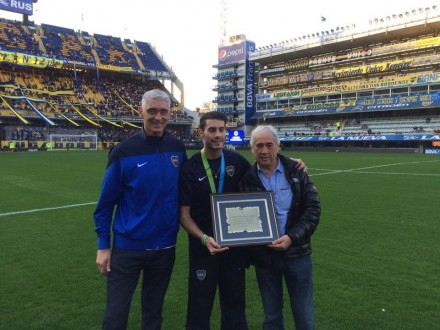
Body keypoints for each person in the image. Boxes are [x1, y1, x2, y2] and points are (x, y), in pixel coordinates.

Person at [93, 89, 187, 330]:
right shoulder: (123, 152)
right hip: (127, 249)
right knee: (115, 316)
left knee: (154, 314)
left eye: (163, 112)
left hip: (165, 248)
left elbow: (195, 185)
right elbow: (104, 206)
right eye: (152, 111)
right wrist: (103, 246)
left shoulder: (178, 148)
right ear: (140, 112)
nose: (158, 117)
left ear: (170, 114)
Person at [239, 125, 321, 330]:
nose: (264, 150)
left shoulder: (296, 171)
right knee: (272, 317)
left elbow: (313, 210)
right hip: (265, 258)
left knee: (304, 317)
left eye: (269, 145)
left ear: (278, 146)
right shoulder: (246, 179)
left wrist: (292, 238)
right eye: (259, 146)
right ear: (252, 149)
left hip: (297, 255)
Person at [178, 111, 250, 329]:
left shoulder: (238, 162)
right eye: (212, 130)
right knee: (199, 309)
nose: (218, 134)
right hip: (203, 250)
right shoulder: (190, 167)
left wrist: (290, 163)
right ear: (201, 132)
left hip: (233, 251)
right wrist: (203, 238)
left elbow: (264, 175)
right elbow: (184, 215)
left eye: (222, 129)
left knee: (235, 308)